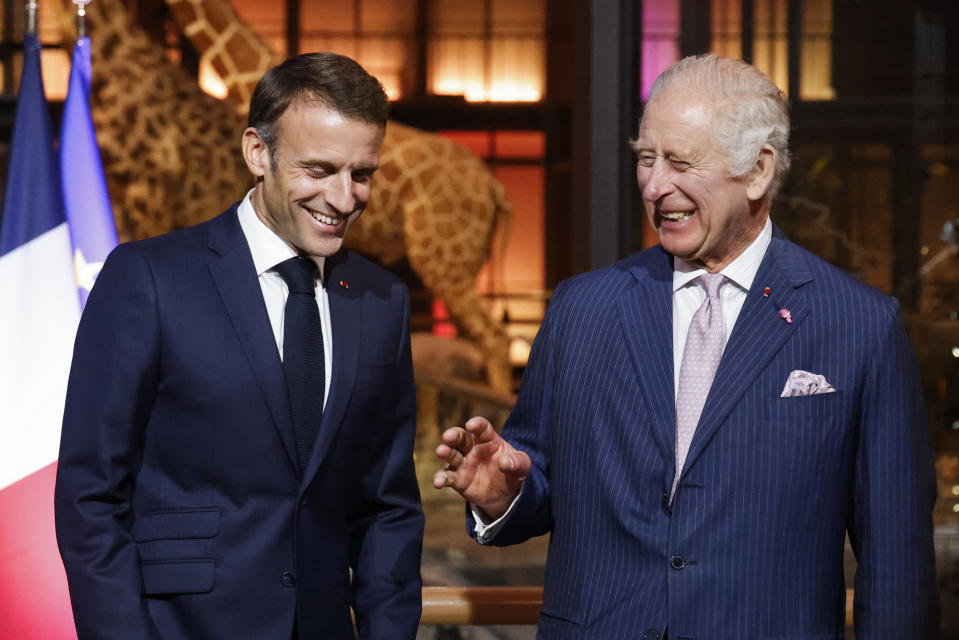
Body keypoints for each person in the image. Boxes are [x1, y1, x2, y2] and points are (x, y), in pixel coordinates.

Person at [434, 54, 937, 639]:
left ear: (757, 170)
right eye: (646, 158)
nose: (653, 184)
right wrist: (505, 494)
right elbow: (538, 480)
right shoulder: (583, 309)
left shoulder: (859, 325)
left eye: (680, 161)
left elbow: (897, 566)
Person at [55, 52, 423, 640]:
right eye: (319, 169)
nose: (345, 197)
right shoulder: (148, 279)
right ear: (258, 152)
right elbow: (90, 498)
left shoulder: (382, 301)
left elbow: (388, 507)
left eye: (362, 173)